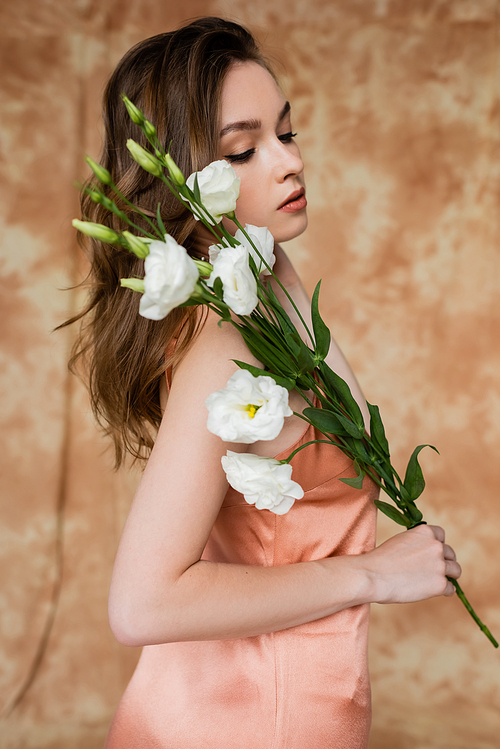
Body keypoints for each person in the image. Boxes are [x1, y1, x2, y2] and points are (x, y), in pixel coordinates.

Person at [68, 17, 461, 749]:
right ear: (180, 177)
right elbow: (142, 602)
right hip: (243, 721)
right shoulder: (223, 340)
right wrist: (373, 574)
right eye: (244, 150)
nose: (288, 163)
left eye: (288, 131)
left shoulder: (266, 279)